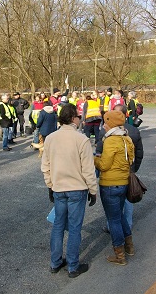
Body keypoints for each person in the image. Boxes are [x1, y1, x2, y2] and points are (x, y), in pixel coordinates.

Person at [41, 103, 97, 278]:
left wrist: (50, 185)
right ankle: (73, 266)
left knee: (58, 226)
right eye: (79, 116)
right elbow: (88, 169)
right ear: (73, 118)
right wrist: (93, 190)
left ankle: (55, 262)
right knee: (74, 228)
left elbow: (46, 166)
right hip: (77, 189)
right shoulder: (81, 139)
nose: (80, 119)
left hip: (59, 188)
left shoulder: (50, 138)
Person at [94, 110, 135, 265]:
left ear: (110, 123)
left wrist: (94, 159)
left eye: (105, 121)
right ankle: (129, 247)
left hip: (110, 184)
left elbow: (104, 165)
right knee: (120, 216)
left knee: (113, 219)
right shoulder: (127, 138)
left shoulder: (110, 141)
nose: (103, 124)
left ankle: (119, 254)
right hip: (123, 182)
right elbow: (130, 160)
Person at [96, 104, 144, 232]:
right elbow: (139, 152)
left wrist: (97, 164)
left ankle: (112, 227)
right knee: (127, 200)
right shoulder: (133, 131)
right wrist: (134, 169)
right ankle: (127, 225)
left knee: (112, 207)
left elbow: (100, 152)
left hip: (111, 176)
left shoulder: (106, 131)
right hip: (128, 170)